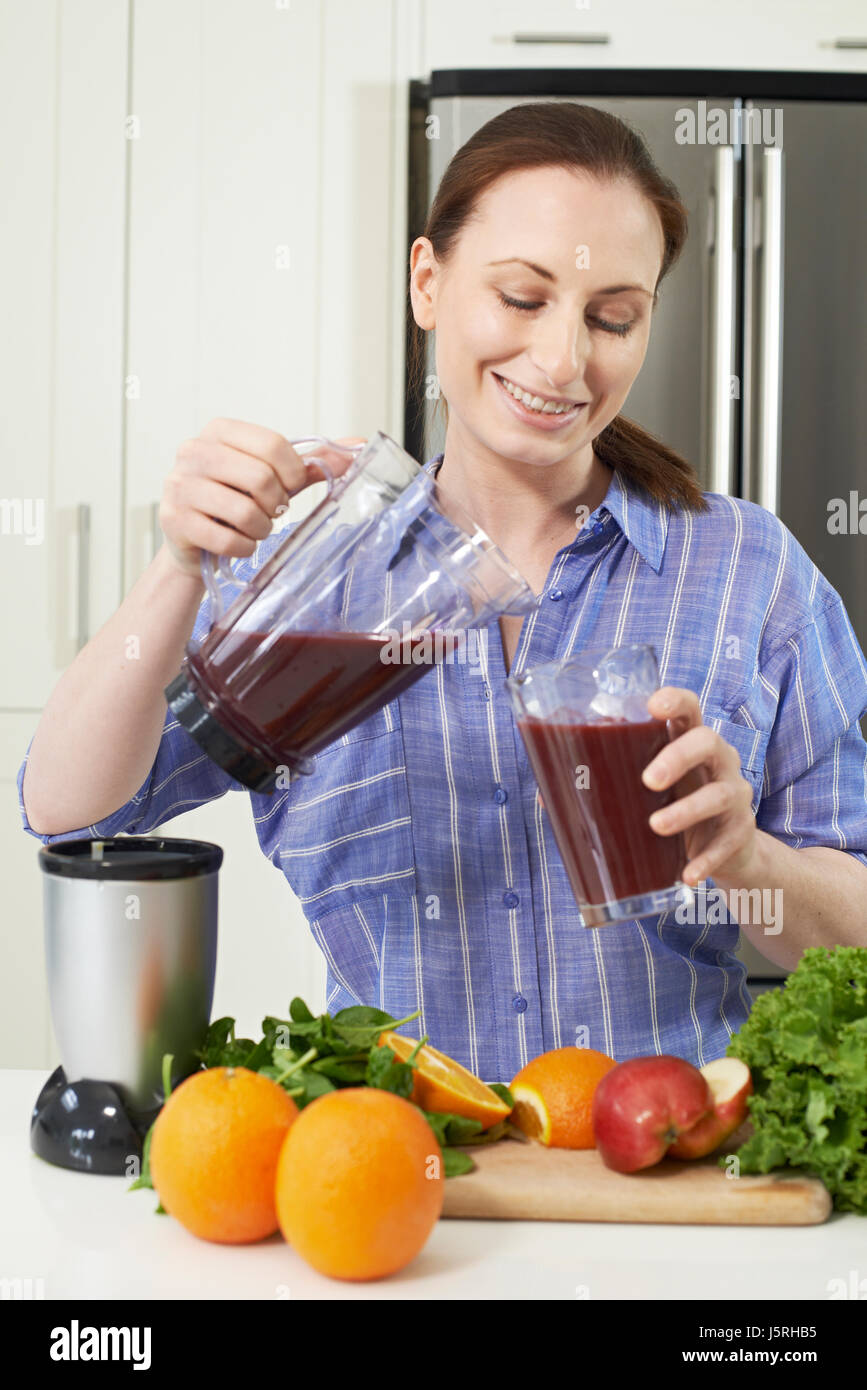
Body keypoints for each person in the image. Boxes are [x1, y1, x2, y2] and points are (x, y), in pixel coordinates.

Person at [18, 102, 867, 1084]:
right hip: (396, 1191)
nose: (561, 360)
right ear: (429, 281)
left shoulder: (748, 573)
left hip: (668, 1188)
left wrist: (751, 861)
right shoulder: (309, 571)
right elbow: (68, 810)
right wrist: (177, 566)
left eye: (611, 317)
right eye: (520, 297)